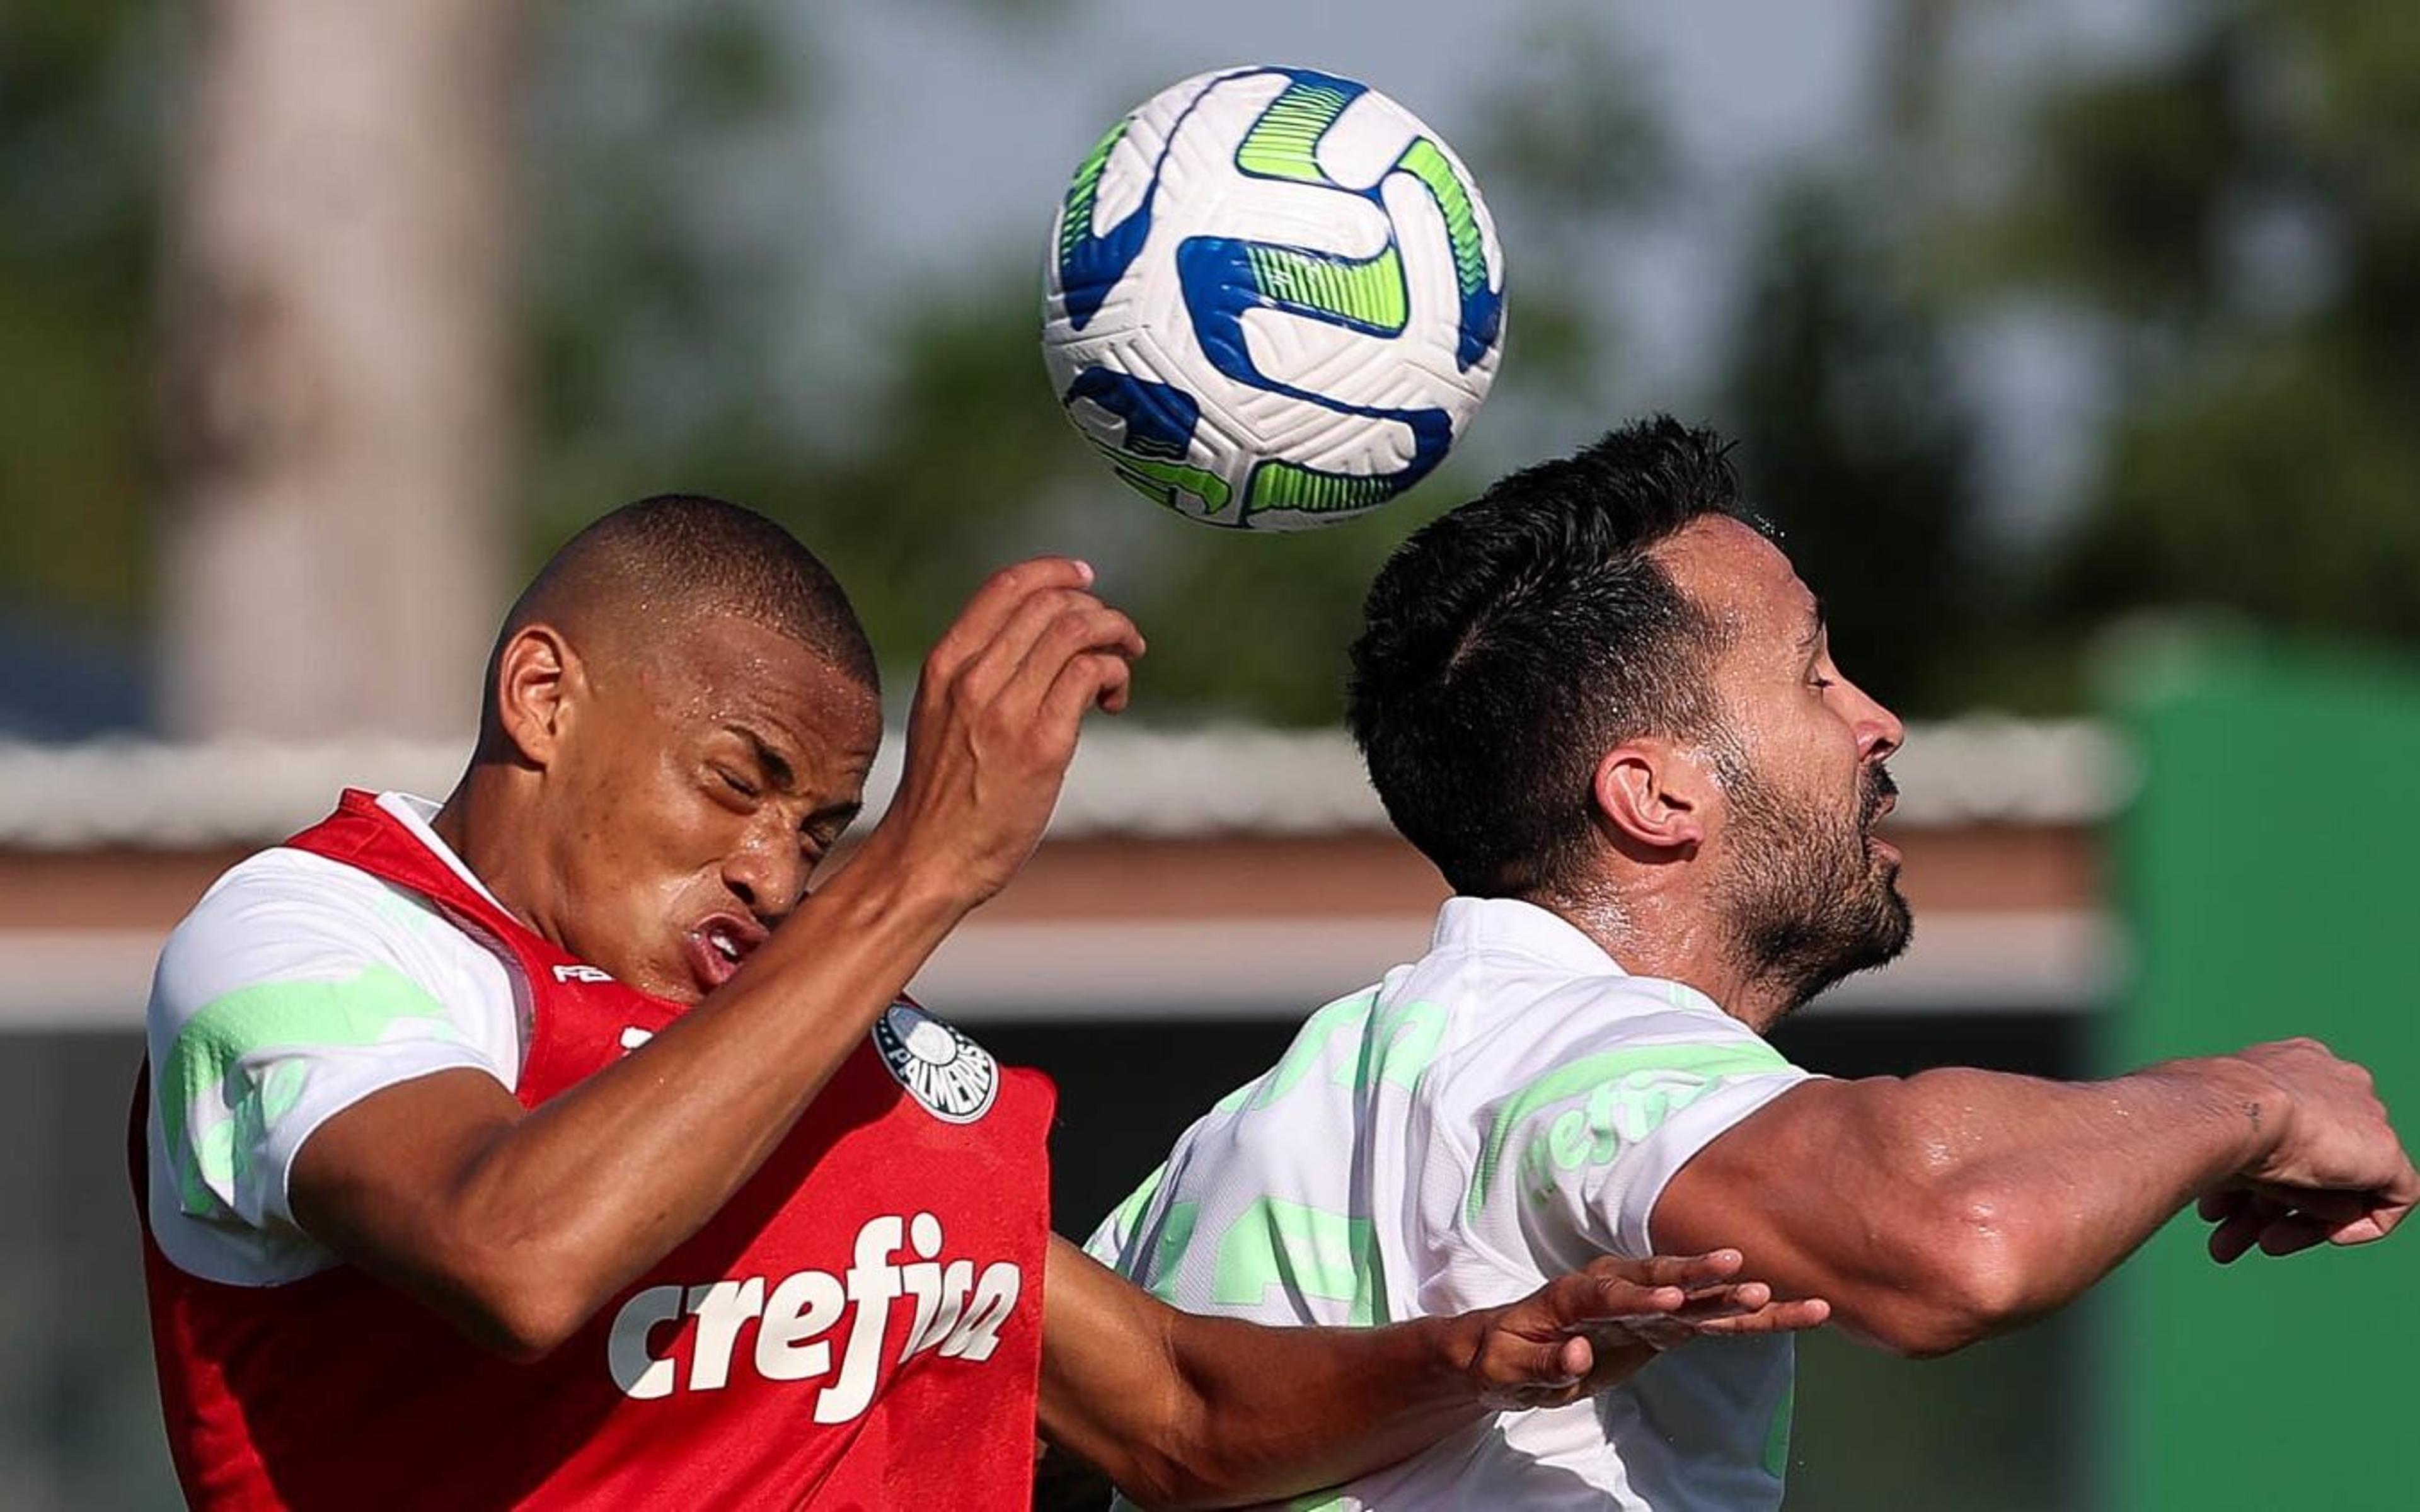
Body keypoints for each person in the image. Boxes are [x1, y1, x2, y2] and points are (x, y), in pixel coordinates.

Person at [134, 495, 1824, 1511]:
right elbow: (514, 1255)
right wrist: (920, 870)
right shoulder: (317, 935)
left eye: (821, 831)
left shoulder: (839, 1055)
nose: (777, 874)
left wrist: (1476, 1355)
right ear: (543, 697)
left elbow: (1175, 1413)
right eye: (737, 782)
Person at [1086, 416, 2419, 1510]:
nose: (1877, 722)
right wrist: (2256, 1097)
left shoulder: (1221, 1154)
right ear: (1655, 796)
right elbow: (1954, 1235)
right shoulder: (1572, 1049)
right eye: (1815, 676)